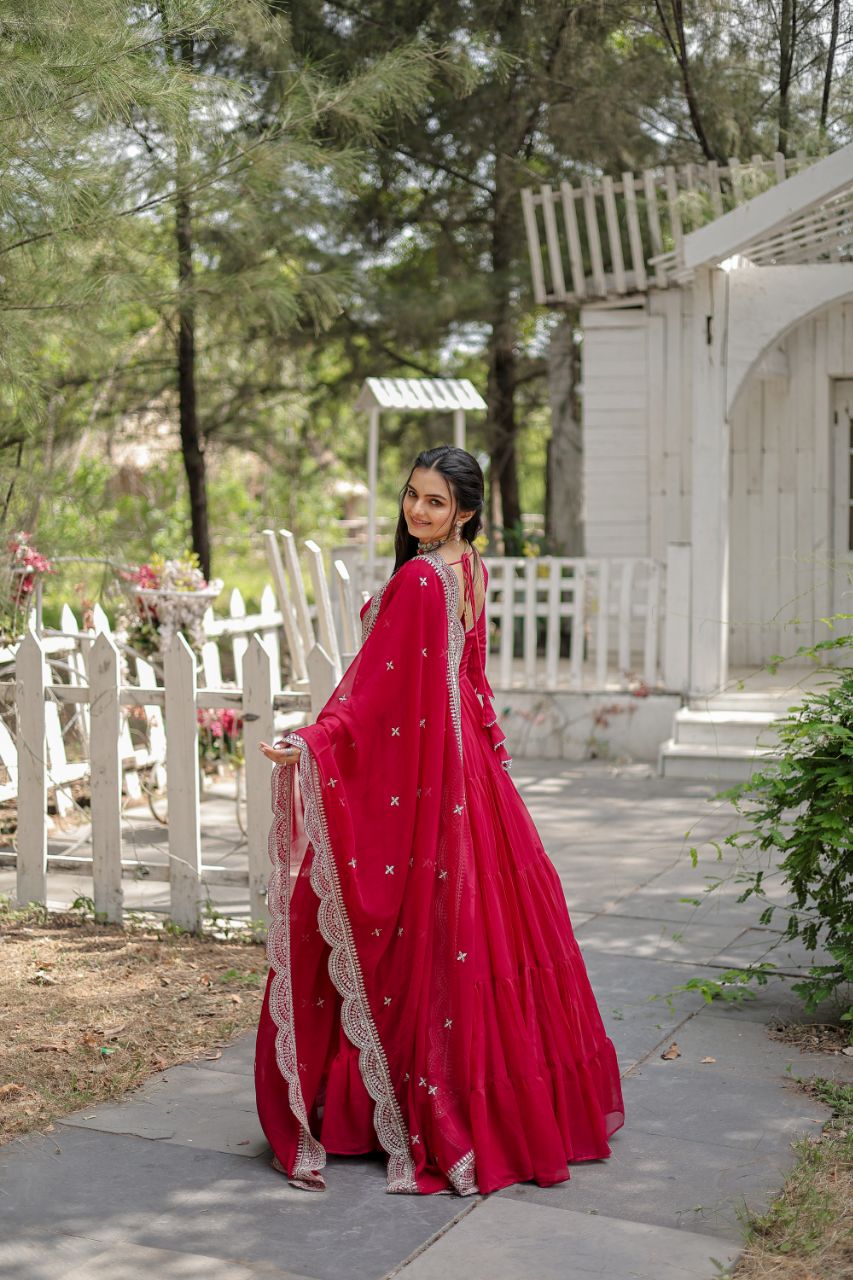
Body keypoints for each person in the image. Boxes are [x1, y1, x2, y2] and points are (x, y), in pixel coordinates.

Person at [254, 445, 624, 1196]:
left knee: (409, 937)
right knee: (468, 941)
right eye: (412, 496)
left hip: (434, 778)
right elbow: (462, 680)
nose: (418, 512)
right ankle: (497, 1103)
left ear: (465, 512)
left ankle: (397, 1106)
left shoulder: (424, 579)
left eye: (435, 503)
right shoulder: (467, 566)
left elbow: (378, 701)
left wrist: (313, 742)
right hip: (465, 775)